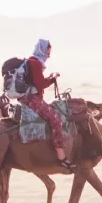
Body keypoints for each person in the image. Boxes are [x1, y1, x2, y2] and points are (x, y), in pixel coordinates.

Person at [17, 39, 73, 171]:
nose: (49, 54)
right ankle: (61, 157)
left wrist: (51, 78)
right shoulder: (35, 64)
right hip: (32, 99)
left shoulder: (32, 62)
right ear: (43, 49)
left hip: (29, 97)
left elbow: (38, 83)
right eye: (48, 51)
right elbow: (40, 85)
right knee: (56, 120)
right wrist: (52, 78)